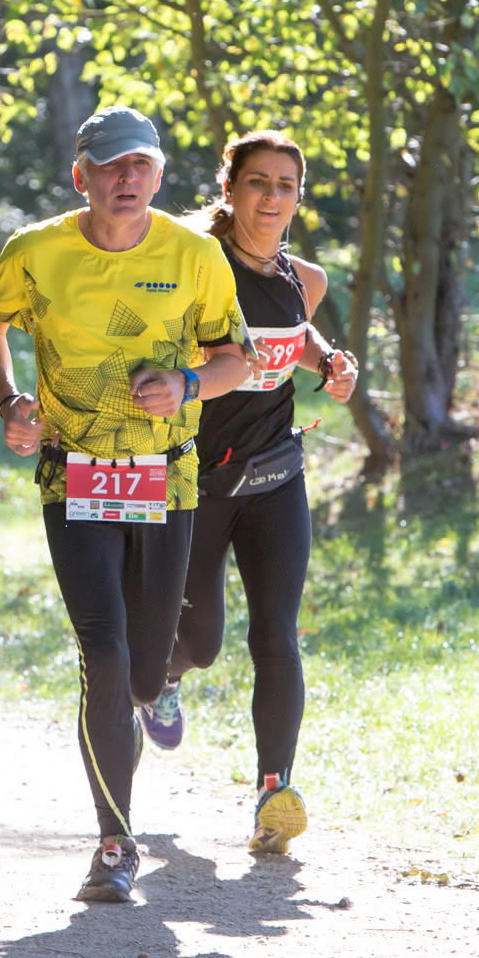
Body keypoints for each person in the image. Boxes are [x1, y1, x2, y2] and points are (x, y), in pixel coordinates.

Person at [0, 105, 249, 903]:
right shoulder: (36, 252)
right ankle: (115, 841)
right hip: (75, 473)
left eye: (141, 165)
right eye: (111, 165)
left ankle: (150, 698)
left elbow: (235, 358)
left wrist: (188, 383)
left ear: (158, 176)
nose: (127, 178)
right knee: (104, 649)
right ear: (81, 175)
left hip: (167, 476)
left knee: (145, 667)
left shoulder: (195, 255)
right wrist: (11, 402)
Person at [140, 130, 359, 857]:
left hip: (275, 476)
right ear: (229, 188)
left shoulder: (306, 278)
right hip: (197, 480)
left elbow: (296, 331)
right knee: (200, 642)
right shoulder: (196, 265)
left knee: (277, 635)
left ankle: (274, 793)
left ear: (298, 197)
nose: (272, 196)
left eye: (285, 184)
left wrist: (331, 362)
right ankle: (164, 677)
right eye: (258, 181)